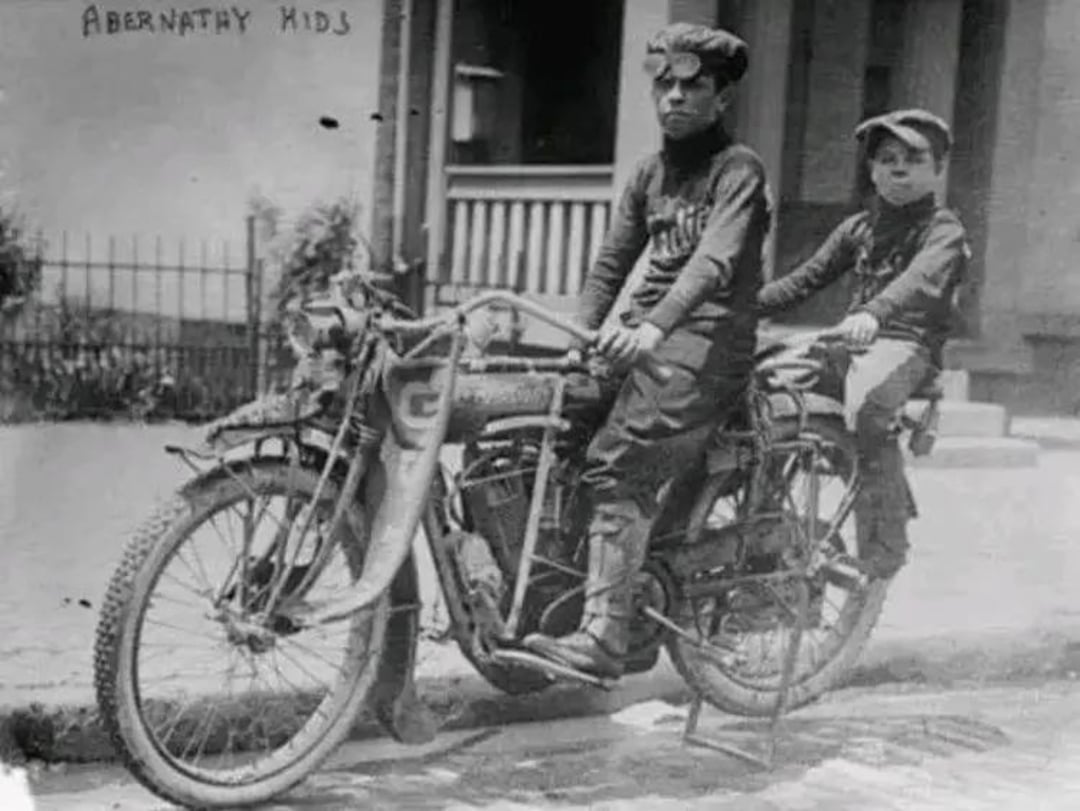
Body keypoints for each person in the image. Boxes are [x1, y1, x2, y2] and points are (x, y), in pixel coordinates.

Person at [524, 23, 772, 679]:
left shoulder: (737, 170)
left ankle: (605, 637)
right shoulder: (649, 173)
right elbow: (611, 266)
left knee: (619, 459)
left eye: (694, 86)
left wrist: (652, 327)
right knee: (554, 417)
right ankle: (545, 599)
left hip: (709, 341)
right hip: (648, 331)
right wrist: (582, 338)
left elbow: (714, 264)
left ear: (722, 98)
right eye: (664, 84)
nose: (675, 97)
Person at [756, 108, 970, 581]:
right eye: (887, 158)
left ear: (937, 169)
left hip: (907, 346)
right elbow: (805, 278)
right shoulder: (859, 227)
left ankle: (886, 543)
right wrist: (742, 309)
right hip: (852, 340)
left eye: (914, 159)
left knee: (869, 408)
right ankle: (762, 530)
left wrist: (873, 313)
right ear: (871, 170)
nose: (898, 168)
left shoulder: (943, 229)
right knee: (765, 399)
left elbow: (917, 280)